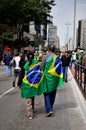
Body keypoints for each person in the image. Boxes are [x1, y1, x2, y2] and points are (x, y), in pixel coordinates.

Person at [17, 51, 43, 120]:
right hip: (34, 84)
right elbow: (40, 72)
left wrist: (19, 84)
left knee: (28, 99)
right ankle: (33, 108)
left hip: (26, 84)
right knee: (32, 96)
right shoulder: (37, 63)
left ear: (27, 57)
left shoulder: (25, 64)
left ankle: (30, 114)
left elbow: (21, 75)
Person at [40, 45, 64, 117]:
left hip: (47, 78)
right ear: (54, 50)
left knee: (47, 94)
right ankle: (51, 107)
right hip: (55, 79)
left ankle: (49, 109)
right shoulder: (57, 58)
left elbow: (41, 67)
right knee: (53, 93)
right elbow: (60, 68)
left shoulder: (45, 57)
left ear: (48, 50)